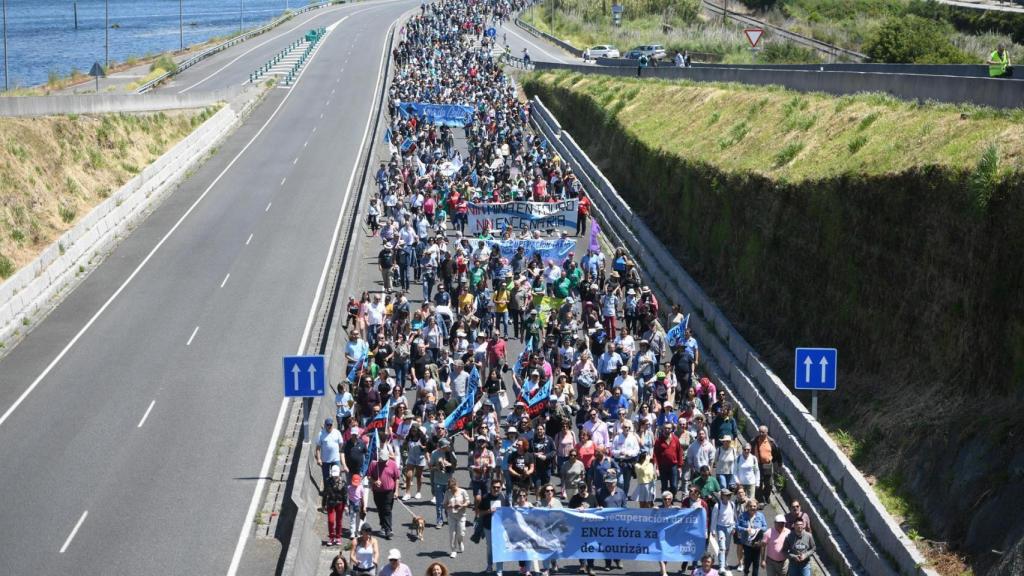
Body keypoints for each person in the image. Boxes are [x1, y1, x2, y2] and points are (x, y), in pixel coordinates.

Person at [368, 450, 400, 539]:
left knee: (387, 510)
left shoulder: (393, 464)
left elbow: (397, 478)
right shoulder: (374, 464)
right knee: (380, 509)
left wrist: (396, 491)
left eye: (384, 460)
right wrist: (374, 481)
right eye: (381, 460)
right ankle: (383, 525)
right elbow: (369, 476)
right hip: (377, 492)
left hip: (389, 491)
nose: (382, 461)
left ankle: (388, 530)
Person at [737, 498, 768, 576]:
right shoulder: (743, 515)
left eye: (754, 506)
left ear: (757, 507)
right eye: (751, 506)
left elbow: (765, 527)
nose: (753, 508)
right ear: (748, 507)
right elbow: (737, 526)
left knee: (756, 564)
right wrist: (745, 529)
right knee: (747, 562)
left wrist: (758, 529)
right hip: (747, 544)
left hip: (757, 544)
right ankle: (746, 572)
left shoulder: (761, 516)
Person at [430, 438, 457, 528]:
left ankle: (449, 518)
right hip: (438, 481)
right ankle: (439, 520)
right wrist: (437, 467)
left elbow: (455, 465)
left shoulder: (451, 452)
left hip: (449, 482)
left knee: (449, 502)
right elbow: (430, 467)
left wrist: (449, 464)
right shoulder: (434, 453)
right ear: (441, 447)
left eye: (448, 445)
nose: (448, 447)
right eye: (446, 446)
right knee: (439, 503)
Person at [317, 418, 343, 507]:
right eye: (327, 425)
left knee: (337, 477)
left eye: (330, 425)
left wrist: (339, 454)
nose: (329, 427)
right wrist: (319, 459)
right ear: (325, 425)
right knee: (326, 478)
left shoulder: (337, 433)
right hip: (325, 461)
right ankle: (327, 492)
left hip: (335, 459)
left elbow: (341, 444)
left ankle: (336, 493)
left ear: (333, 425)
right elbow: (318, 448)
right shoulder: (321, 434)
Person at [710, 488, 738, 571]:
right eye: (727, 495)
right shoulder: (717, 506)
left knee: (727, 547)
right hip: (720, 528)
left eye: (730, 495)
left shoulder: (732, 504)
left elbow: (734, 516)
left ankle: (723, 560)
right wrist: (713, 530)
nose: (729, 496)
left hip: (730, 527)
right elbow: (714, 518)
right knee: (722, 547)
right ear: (722, 496)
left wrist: (734, 527)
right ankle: (721, 566)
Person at [751, 426, 780, 503]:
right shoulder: (754, 441)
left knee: (769, 484)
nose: (760, 433)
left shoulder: (771, 442)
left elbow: (776, 452)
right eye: (759, 431)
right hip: (757, 465)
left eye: (763, 432)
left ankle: (766, 496)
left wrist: (776, 462)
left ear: (766, 433)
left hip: (768, 465)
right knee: (758, 483)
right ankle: (760, 499)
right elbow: (751, 452)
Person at [444, 477, 472, 557]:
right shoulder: (447, 492)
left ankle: (460, 541)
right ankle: (453, 550)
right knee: (452, 533)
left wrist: (462, 505)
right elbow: (444, 505)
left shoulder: (463, 492)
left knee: (461, 533)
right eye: (450, 488)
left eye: (453, 488)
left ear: (456, 485)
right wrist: (448, 505)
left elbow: (468, 501)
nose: (452, 490)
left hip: (461, 515)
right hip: (451, 516)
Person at [324, 465, 347, 546]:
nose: (335, 477)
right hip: (330, 503)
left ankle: (338, 537)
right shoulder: (328, 481)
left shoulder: (343, 482)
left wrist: (346, 506)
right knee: (331, 521)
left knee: (339, 521)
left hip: (340, 503)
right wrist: (323, 504)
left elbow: (345, 495)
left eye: (336, 475)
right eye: (334, 475)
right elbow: (325, 493)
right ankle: (331, 537)